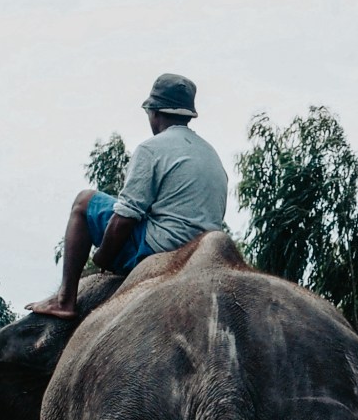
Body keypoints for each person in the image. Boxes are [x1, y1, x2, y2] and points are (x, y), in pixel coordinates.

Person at [27, 73, 227, 319]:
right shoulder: (211, 154)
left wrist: (101, 259)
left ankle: (65, 300)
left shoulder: (151, 149)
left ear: (154, 113)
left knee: (84, 201)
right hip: (200, 255)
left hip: (159, 250)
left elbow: (125, 218)